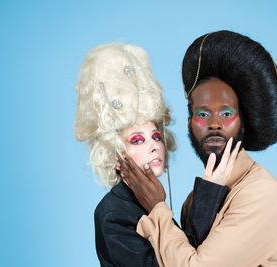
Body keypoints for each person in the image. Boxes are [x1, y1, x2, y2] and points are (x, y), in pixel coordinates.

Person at [121, 30, 277, 267]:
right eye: (203, 114)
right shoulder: (195, 200)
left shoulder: (262, 194)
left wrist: (156, 207)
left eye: (226, 113)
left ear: (242, 123)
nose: (214, 123)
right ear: (189, 124)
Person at [74, 42, 231, 266]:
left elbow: (185, 254)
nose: (154, 146)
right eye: (137, 140)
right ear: (115, 154)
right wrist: (205, 195)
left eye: (156, 136)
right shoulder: (112, 215)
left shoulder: (148, 199)